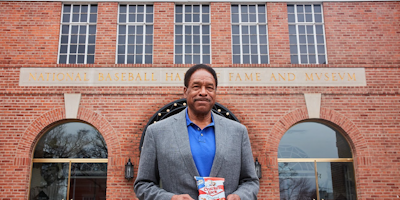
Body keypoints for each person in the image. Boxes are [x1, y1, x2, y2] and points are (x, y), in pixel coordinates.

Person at [134, 64, 259, 200]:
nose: (203, 92)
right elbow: (143, 185)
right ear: (185, 91)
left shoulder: (238, 132)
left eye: (209, 87)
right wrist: (170, 198)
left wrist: (239, 197)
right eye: (196, 86)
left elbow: (251, 182)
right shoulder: (157, 132)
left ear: (215, 92)